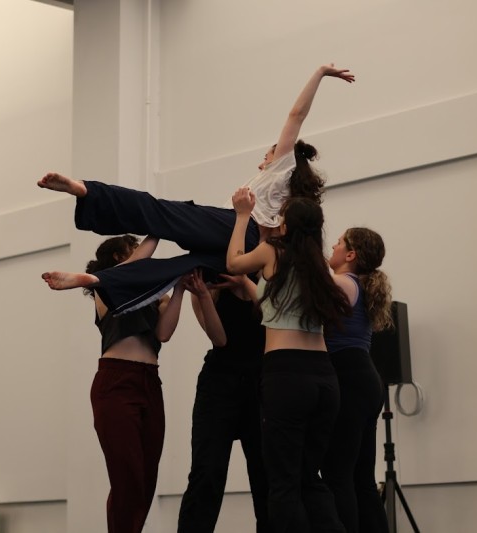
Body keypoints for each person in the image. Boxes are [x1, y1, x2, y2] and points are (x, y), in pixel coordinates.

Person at [36, 63, 355, 315]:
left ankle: (85, 191)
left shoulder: (282, 166)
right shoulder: (294, 206)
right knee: (179, 269)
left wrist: (319, 73)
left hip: (235, 226)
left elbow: (296, 115)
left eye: (266, 157)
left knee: (158, 210)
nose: (262, 163)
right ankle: (98, 280)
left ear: (282, 160)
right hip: (248, 253)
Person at [226, 189, 352, 533]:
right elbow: (277, 309)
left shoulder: (273, 251)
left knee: (282, 483)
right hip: (324, 378)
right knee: (310, 478)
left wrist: (241, 216)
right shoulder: (320, 267)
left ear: (286, 223)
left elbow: (234, 262)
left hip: (286, 376)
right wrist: (250, 289)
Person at [44, 234, 186, 533]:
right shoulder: (107, 287)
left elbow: (164, 334)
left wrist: (180, 291)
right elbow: (131, 271)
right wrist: (158, 227)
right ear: (120, 257)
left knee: (146, 478)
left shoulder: (154, 296)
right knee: (128, 476)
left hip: (150, 383)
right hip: (116, 382)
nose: (141, 253)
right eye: (134, 249)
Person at [176, 269, 269, 533]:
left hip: (261, 382)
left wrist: (245, 282)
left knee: (266, 475)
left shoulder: (268, 280)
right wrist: (204, 295)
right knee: (206, 472)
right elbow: (220, 339)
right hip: (219, 382)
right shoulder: (210, 288)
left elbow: (273, 320)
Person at [321, 228, 393, 533]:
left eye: (338, 242)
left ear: (350, 255)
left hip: (348, 378)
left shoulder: (340, 282)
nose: (333, 246)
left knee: (338, 474)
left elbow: (305, 283)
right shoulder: (359, 285)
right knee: (361, 478)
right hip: (365, 377)